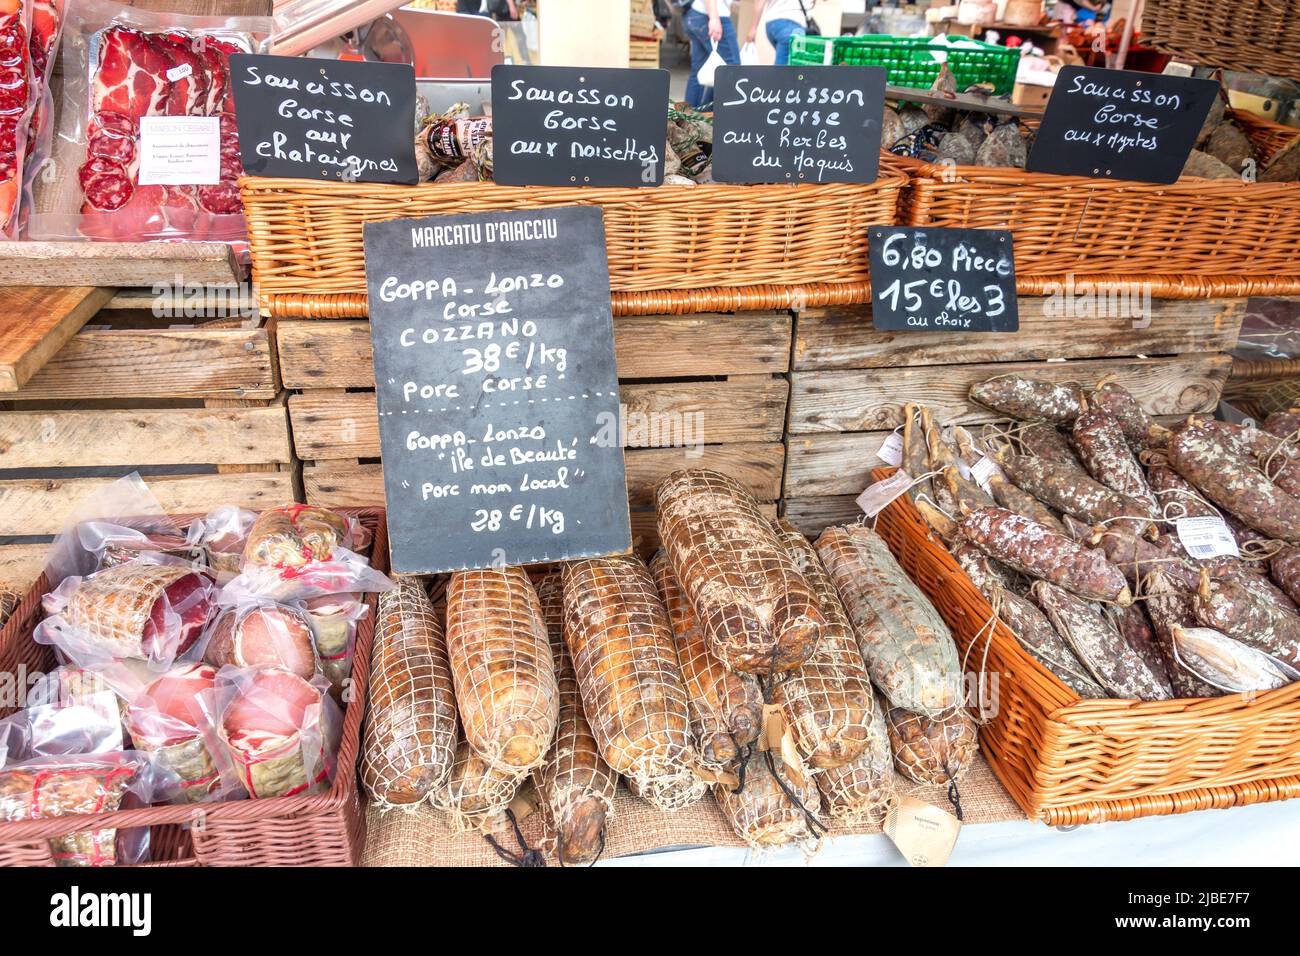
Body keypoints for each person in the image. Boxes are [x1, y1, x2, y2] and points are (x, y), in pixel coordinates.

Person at [683, 1, 740, 109]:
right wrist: (714, 18)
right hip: (713, 16)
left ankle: (687, 118)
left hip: (698, 14)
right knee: (731, 70)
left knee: (699, 71)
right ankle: (710, 115)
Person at [749, 0, 809, 66]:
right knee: (785, 70)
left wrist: (753, 27)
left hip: (772, 23)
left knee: (788, 67)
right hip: (793, 24)